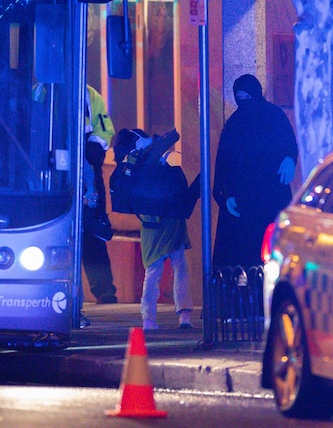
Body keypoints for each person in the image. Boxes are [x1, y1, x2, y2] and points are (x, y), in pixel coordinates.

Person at [113, 128, 199, 331]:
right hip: (169, 217)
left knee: (155, 269)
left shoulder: (133, 164)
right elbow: (166, 141)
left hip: (153, 221)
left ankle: (150, 318)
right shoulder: (144, 157)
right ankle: (181, 314)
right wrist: (166, 136)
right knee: (177, 267)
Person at [212, 74, 298, 269]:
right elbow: (224, 163)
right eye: (240, 100)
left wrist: (289, 158)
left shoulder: (274, 117)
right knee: (244, 254)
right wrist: (227, 194)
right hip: (244, 199)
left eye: (247, 99)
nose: (244, 105)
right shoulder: (234, 124)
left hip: (271, 194)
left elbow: (288, 143)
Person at [82, 85, 118, 306]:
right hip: (52, 169)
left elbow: (104, 129)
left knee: (93, 233)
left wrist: (94, 149)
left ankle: (105, 291)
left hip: (86, 164)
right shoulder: (41, 89)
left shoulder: (90, 94)